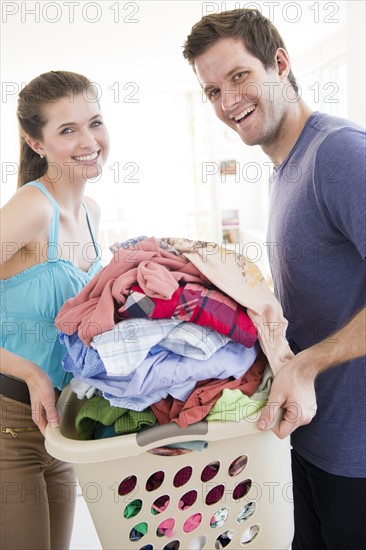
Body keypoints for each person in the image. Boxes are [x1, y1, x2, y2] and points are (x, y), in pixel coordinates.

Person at [182, 8, 366, 550]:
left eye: (239, 76)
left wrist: (308, 364)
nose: (228, 100)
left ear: (280, 63)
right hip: (312, 439)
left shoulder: (340, 154)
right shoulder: (288, 167)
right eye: (213, 90)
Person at [0, 70, 110, 549]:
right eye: (67, 130)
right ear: (35, 142)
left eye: (94, 122)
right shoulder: (33, 207)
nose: (89, 141)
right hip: (8, 422)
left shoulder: (92, 214)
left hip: (60, 421)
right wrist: (31, 373)